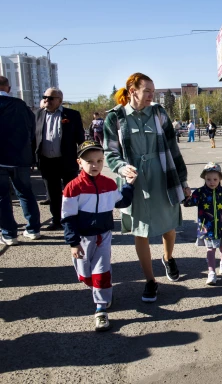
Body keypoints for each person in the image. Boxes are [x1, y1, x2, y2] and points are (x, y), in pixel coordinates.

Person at [104, 73, 191, 302]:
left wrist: (183, 181)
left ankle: (168, 257)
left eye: (153, 91)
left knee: (168, 225)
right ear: (133, 91)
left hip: (163, 175)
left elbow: (173, 148)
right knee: (140, 230)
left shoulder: (159, 112)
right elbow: (110, 152)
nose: (152, 95)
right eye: (147, 91)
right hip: (134, 181)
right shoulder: (115, 117)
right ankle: (150, 280)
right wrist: (121, 168)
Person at [61, 141, 135, 331]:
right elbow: (68, 217)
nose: (95, 165)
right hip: (83, 239)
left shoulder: (108, 184)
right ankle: (97, 289)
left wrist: (129, 185)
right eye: (90, 161)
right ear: (79, 162)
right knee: (86, 276)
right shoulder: (72, 188)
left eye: (100, 161)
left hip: (103, 236)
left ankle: (101, 309)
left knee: (101, 272)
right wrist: (73, 243)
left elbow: (122, 201)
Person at [34, 87, 85, 231]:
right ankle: (57, 220)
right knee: (53, 193)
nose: (46, 100)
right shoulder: (37, 114)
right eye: (45, 97)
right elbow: (33, 138)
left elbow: (80, 138)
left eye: (50, 98)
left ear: (60, 101)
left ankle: (73, 219)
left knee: (72, 192)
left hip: (67, 160)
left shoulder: (72, 115)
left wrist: (83, 157)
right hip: (46, 161)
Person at [0, 76, 41, 245]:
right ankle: (33, 229)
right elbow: (32, 131)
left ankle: (9, 234)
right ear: (8, 88)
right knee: (25, 193)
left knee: (2, 197)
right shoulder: (22, 106)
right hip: (21, 158)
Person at [183, 163, 222, 285]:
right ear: (204, 179)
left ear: (220, 179)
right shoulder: (200, 192)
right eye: (208, 179)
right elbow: (188, 203)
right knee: (210, 249)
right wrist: (187, 196)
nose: (212, 182)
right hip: (207, 228)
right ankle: (211, 272)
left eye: (215, 179)